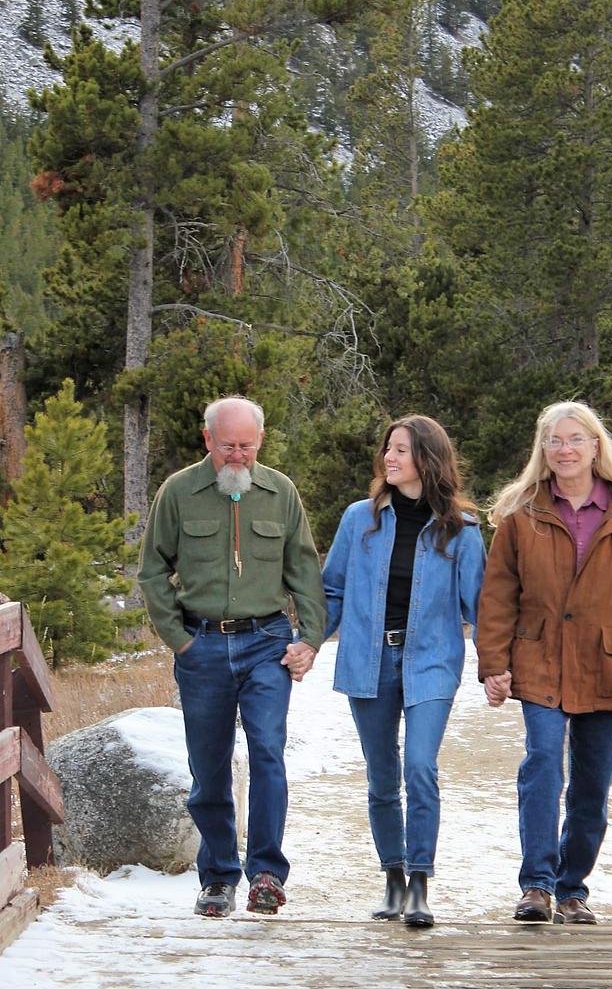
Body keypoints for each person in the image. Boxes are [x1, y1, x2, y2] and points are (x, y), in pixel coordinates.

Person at [477, 401, 612, 925]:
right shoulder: (522, 513)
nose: (565, 450)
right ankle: (537, 886)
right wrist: (494, 663)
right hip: (539, 660)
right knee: (542, 764)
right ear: (542, 449)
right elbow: (497, 597)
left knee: (591, 785)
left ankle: (572, 888)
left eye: (575, 439)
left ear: (595, 446)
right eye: (555, 441)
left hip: (610, 666)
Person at [138, 395, 326, 919]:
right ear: (208, 440)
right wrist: (178, 639)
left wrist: (310, 638)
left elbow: (304, 570)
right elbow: (153, 570)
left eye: (246, 445)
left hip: (267, 642)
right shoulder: (178, 492)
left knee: (268, 751)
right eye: (227, 447)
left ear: (260, 440)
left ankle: (266, 873)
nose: (238, 456)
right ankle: (218, 876)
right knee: (209, 765)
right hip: (201, 646)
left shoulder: (281, 492)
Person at [322, 415, 486, 928]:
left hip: (431, 662)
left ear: (427, 459)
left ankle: (420, 883)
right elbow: (332, 589)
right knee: (381, 775)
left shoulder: (461, 529)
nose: (388, 458)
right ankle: (392, 877)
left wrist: (498, 667)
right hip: (367, 661)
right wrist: (306, 642)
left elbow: (481, 606)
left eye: (401, 450)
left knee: (420, 766)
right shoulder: (359, 519)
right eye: (387, 449)